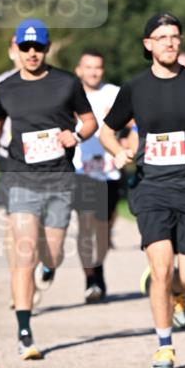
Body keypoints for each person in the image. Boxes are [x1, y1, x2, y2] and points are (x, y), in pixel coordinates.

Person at [99, 13, 185, 368]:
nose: (170, 43)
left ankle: (175, 293)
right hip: (152, 187)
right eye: (162, 37)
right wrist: (119, 152)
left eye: (175, 36)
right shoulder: (135, 88)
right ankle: (164, 346)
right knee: (161, 269)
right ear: (148, 45)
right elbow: (106, 131)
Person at [0, 19, 96, 360]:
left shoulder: (66, 83)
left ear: (47, 48)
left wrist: (77, 135)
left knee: (51, 254)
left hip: (58, 177)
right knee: (24, 254)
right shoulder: (4, 88)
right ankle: (25, 332)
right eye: (26, 47)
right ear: (15, 47)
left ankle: (49, 267)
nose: (32, 53)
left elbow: (89, 121)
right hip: (19, 176)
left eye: (38, 48)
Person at [73, 50, 121, 303]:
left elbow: (132, 123)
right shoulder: (70, 94)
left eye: (98, 67)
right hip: (81, 169)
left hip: (110, 170)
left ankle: (98, 267)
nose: (93, 72)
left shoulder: (114, 92)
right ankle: (91, 279)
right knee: (85, 225)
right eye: (88, 67)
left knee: (104, 226)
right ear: (79, 70)